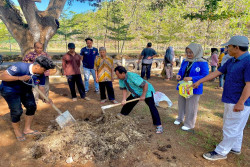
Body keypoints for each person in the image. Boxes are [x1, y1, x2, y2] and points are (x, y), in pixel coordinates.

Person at [192, 36, 250, 161]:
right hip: (230, 99)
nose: (226, 48)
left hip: (239, 101)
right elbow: (217, 73)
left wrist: (241, 102)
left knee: (231, 127)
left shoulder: (248, 61)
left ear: (236, 47)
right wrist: (199, 81)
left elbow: (249, 85)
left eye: (228, 46)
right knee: (236, 126)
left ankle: (221, 152)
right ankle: (235, 147)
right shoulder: (232, 60)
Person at [0, 56, 55, 141]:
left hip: (25, 90)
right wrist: (19, 78)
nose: (45, 72)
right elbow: (2, 76)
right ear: (37, 66)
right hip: (10, 90)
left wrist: (45, 98)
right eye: (44, 69)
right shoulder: (20, 67)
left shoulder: (41, 75)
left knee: (32, 106)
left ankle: (27, 129)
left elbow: (41, 88)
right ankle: (17, 131)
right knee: (17, 111)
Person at [114, 66, 163, 134]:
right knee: (128, 103)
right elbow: (124, 89)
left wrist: (143, 95)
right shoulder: (121, 79)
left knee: (152, 107)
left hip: (147, 91)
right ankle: (123, 114)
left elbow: (145, 84)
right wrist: (124, 99)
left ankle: (159, 125)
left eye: (117, 74)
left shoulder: (132, 77)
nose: (117, 76)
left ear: (122, 73)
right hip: (136, 93)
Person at [174, 43, 209, 131]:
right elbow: (181, 71)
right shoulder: (185, 61)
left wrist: (192, 78)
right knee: (181, 103)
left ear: (197, 52)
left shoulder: (202, 62)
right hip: (183, 87)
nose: (189, 54)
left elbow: (205, 75)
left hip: (194, 88)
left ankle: (189, 124)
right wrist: (178, 75)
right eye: (187, 52)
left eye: (191, 52)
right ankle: (180, 118)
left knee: (191, 106)